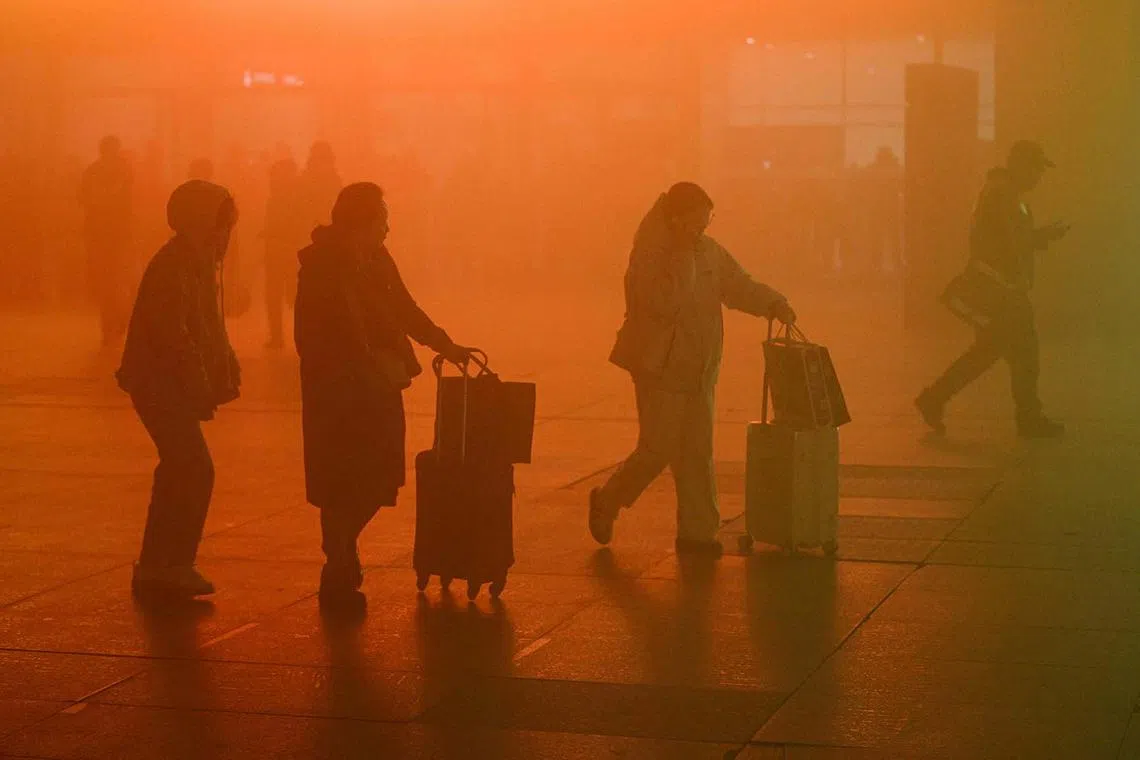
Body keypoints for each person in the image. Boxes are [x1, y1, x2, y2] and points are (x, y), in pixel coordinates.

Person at [590, 182, 797, 557]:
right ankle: (607, 500)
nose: (702, 230)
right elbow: (663, 303)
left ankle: (698, 534)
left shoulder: (709, 252)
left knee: (697, 452)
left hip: (700, 367)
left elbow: (738, 286)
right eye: (696, 223)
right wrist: (682, 255)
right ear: (675, 218)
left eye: (706, 222)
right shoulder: (650, 255)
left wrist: (772, 303)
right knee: (656, 449)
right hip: (661, 367)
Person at [294, 182, 470, 607]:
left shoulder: (376, 260)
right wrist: (350, 372)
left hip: (377, 386)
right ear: (361, 224)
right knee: (342, 483)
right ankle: (338, 566)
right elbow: (311, 336)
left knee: (377, 480)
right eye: (382, 222)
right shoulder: (320, 267)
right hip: (338, 394)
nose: (388, 230)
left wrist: (444, 344)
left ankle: (340, 552)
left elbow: (404, 309)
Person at [116, 180, 241, 598]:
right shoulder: (177, 265)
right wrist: (200, 381)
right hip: (157, 381)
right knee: (193, 467)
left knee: (179, 468)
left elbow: (205, 325)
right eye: (220, 224)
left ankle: (159, 563)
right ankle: (170, 563)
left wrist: (224, 362)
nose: (225, 234)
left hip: (164, 380)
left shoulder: (195, 262)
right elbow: (175, 333)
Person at [915, 140, 1070, 439]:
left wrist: (1037, 238)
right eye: (1036, 169)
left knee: (988, 352)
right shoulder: (1004, 195)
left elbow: (1009, 239)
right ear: (1021, 165)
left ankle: (934, 399)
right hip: (1001, 290)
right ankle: (1028, 417)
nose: (1039, 177)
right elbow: (1010, 243)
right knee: (1024, 352)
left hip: (997, 287)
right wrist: (1041, 237)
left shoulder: (1003, 192)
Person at [79, 136, 134, 347]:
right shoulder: (124, 171)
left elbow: (83, 198)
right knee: (115, 278)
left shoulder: (92, 171)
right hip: (115, 234)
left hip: (101, 234)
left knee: (106, 280)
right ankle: (115, 321)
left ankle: (111, 323)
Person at [263, 157, 304, 348]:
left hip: (282, 251)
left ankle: (279, 337)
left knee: (279, 296)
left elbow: (287, 224)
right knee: (287, 296)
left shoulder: (283, 197)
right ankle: (286, 336)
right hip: (284, 251)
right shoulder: (292, 195)